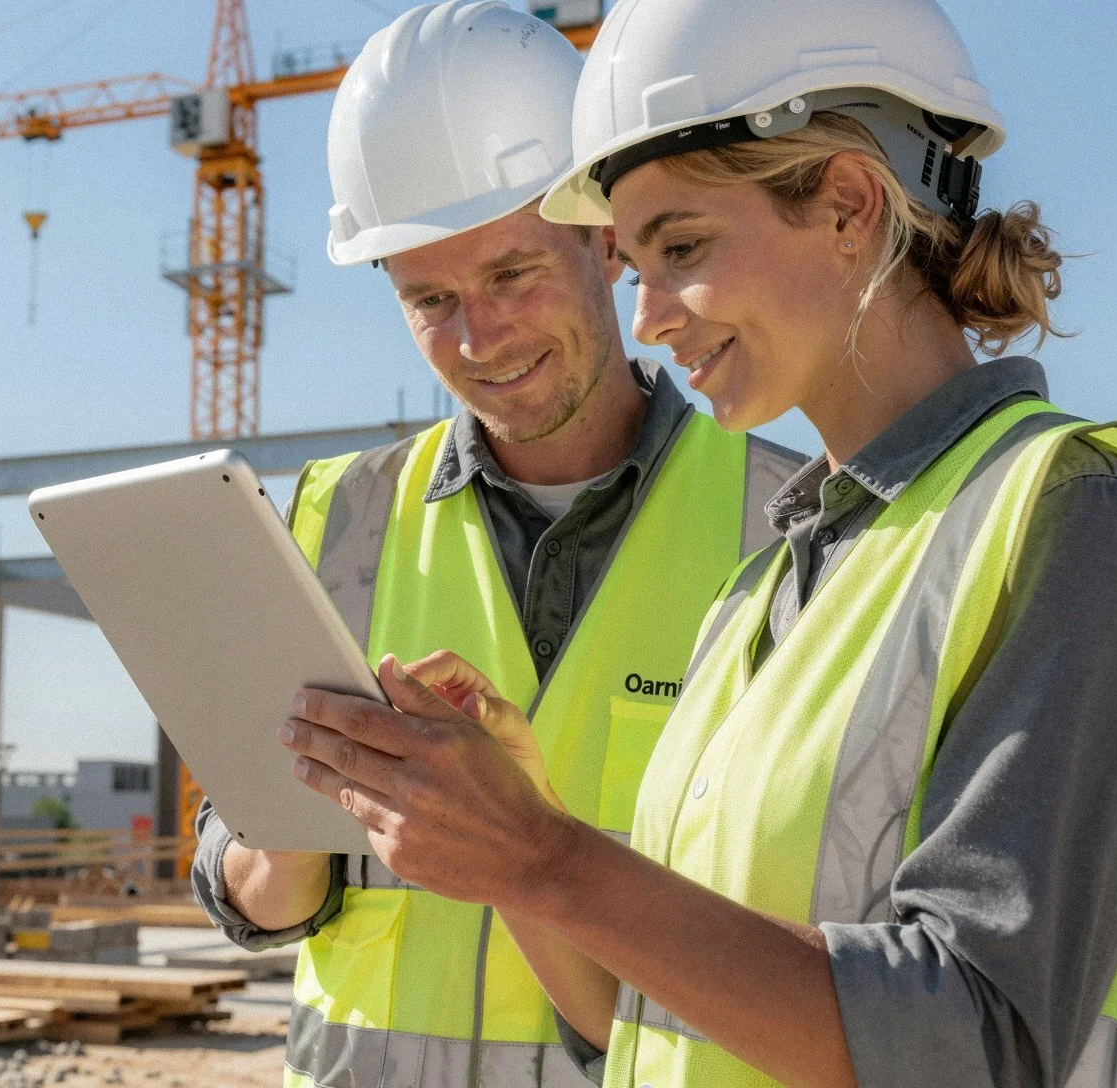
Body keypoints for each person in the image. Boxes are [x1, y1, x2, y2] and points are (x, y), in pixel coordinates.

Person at [274, 0, 1117, 1086]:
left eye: (681, 248)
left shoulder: (1072, 515)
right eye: (635, 263)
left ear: (851, 203)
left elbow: (976, 1041)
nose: (651, 315)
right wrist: (521, 847)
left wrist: (545, 855)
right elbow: (656, 1022)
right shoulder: (769, 588)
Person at [189, 4, 804, 1087]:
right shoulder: (340, 514)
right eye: (431, 299)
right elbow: (248, 886)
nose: (481, 338)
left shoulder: (790, 526)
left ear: (605, 238)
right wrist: (279, 845)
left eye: (514, 275)